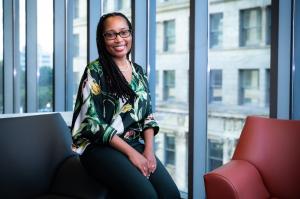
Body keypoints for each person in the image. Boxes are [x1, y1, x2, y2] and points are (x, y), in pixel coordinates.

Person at [71, 12, 180, 199]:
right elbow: (92, 123)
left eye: (123, 32)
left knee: (171, 194)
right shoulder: (95, 71)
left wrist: (149, 151)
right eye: (110, 34)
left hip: (132, 142)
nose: (118, 39)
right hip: (99, 148)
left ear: (130, 34)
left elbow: (147, 115)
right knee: (147, 196)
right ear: (102, 39)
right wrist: (133, 154)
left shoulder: (138, 71)